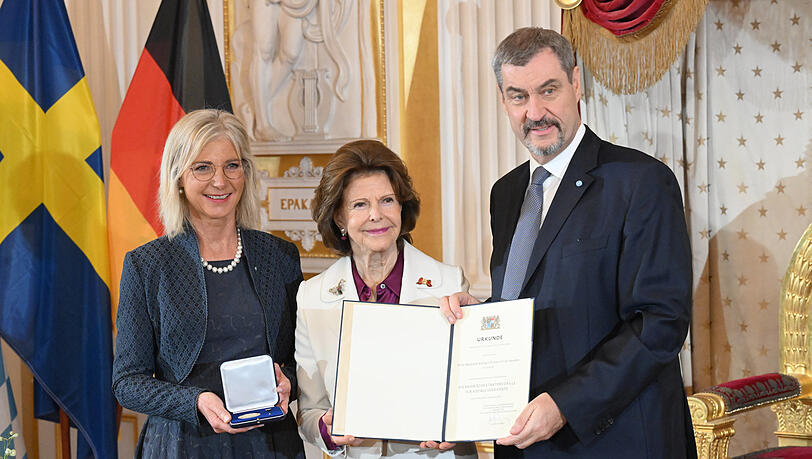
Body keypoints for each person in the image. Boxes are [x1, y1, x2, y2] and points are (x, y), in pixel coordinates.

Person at [440, 28, 696, 458]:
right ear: (504, 102)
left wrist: (565, 404)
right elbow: (542, 300)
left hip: (618, 440)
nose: (535, 112)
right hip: (526, 441)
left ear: (576, 83)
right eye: (518, 96)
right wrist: (482, 316)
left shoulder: (640, 182)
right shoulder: (506, 193)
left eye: (548, 90)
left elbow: (661, 322)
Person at [112, 109, 305, 458]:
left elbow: (301, 358)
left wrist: (289, 381)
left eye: (232, 165)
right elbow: (127, 383)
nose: (221, 181)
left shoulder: (280, 256)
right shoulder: (147, 264)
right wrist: (195, 400)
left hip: (271, 444)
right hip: (183, 443)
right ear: (178, 178)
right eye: (203, 167)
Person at [295, 140, 477, 458]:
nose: (376, 215)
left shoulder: (449, 283)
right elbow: (309, 413)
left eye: (387, 200)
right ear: (339, 217)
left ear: (402, 207)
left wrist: (456, 427)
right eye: (360, 205)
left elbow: (470, 393)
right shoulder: (312, 298)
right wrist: (328, 428)